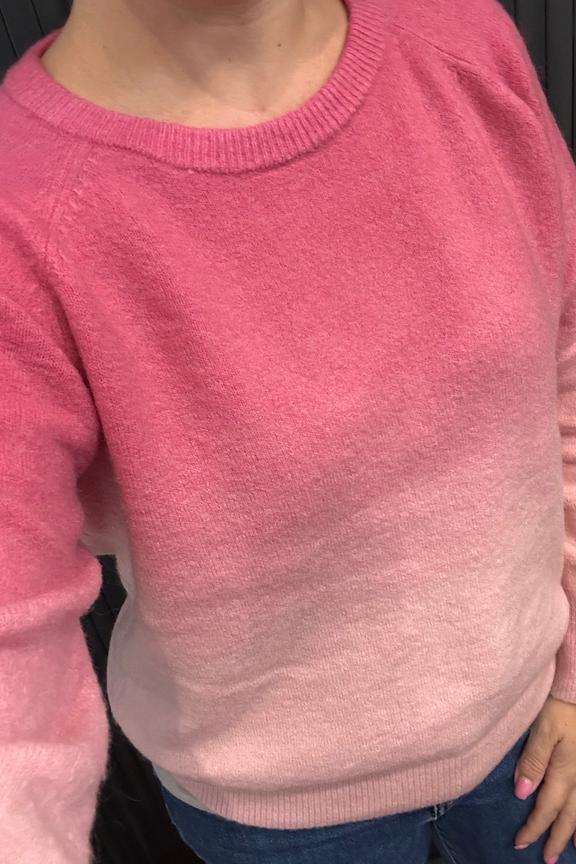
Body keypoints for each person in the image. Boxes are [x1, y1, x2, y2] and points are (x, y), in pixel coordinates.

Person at [2, 0, 576, 861]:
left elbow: (566, 362)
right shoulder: (25, 219)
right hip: (279, 819)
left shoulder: (464, 44)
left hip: (534, 735)